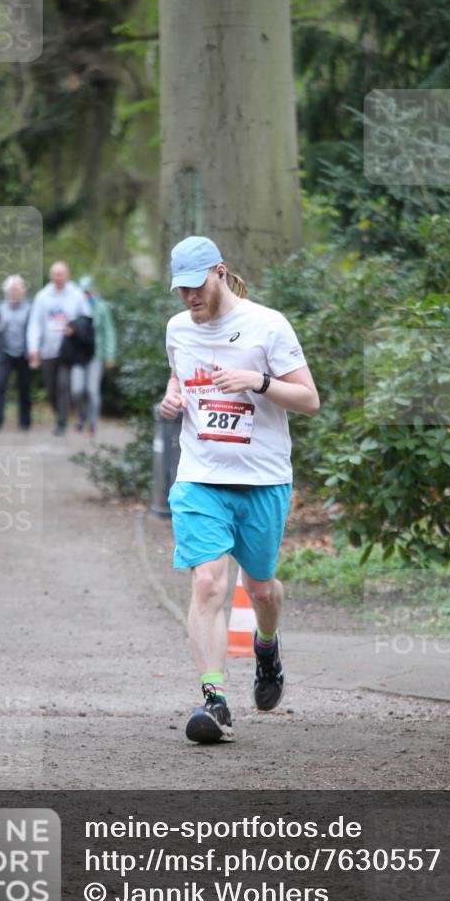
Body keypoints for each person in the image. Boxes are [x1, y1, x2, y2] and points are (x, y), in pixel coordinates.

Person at [159, 236, 320, 744]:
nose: (189, 298)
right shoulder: (178, 329)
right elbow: (180, 373)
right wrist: (173, 394)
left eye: (196, 286)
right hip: (201, 476)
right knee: (207, 583)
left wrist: (258, 380)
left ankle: (266, 646)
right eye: (180, 290)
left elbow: (310, 400)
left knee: (261, 589)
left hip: (262, 479)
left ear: (220, 273)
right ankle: (214, 700)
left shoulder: (267, 325)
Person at [26, 261, 90, 435]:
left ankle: (62, 422)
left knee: (63, 384)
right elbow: (35, 324)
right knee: (51, 389)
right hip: (47, 349)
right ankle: (59, 412)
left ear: (67, 275)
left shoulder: (76, 295)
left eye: (61, 274)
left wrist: (75, 328)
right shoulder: (42, 296)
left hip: (67, 350)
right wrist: (33, 347)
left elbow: (86, 319)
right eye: (55, 274)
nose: (57, 278)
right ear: (50, 276)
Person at [71, 275, 117, 436]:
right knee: (77, 390)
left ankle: (92, 423)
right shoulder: (75, 308)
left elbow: (109, 332)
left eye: (88, 292)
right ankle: (82, 415)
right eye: (83, 292)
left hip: (96, 355)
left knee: (92, 390)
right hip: (79, 356)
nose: (86, 295)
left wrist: (109, 355)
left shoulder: (101, 307)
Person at [0, 275, 32, 432]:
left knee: (24, 387)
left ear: (24, 291)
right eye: (13, 290)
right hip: (4, 353)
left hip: (24, 353)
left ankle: (25, 421)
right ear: (7, 292)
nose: (16, 293)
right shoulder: (0, 309)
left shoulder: (30, 308)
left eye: (19, 289)